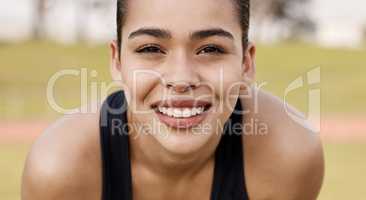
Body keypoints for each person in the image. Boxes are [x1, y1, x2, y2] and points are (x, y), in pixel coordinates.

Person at [21, 0, 324, 199]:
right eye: (151, 48)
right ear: (117, 61)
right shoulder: (61, 171)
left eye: (211, 49)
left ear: (246, 62)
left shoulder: (288, 155)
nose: (181, 79)